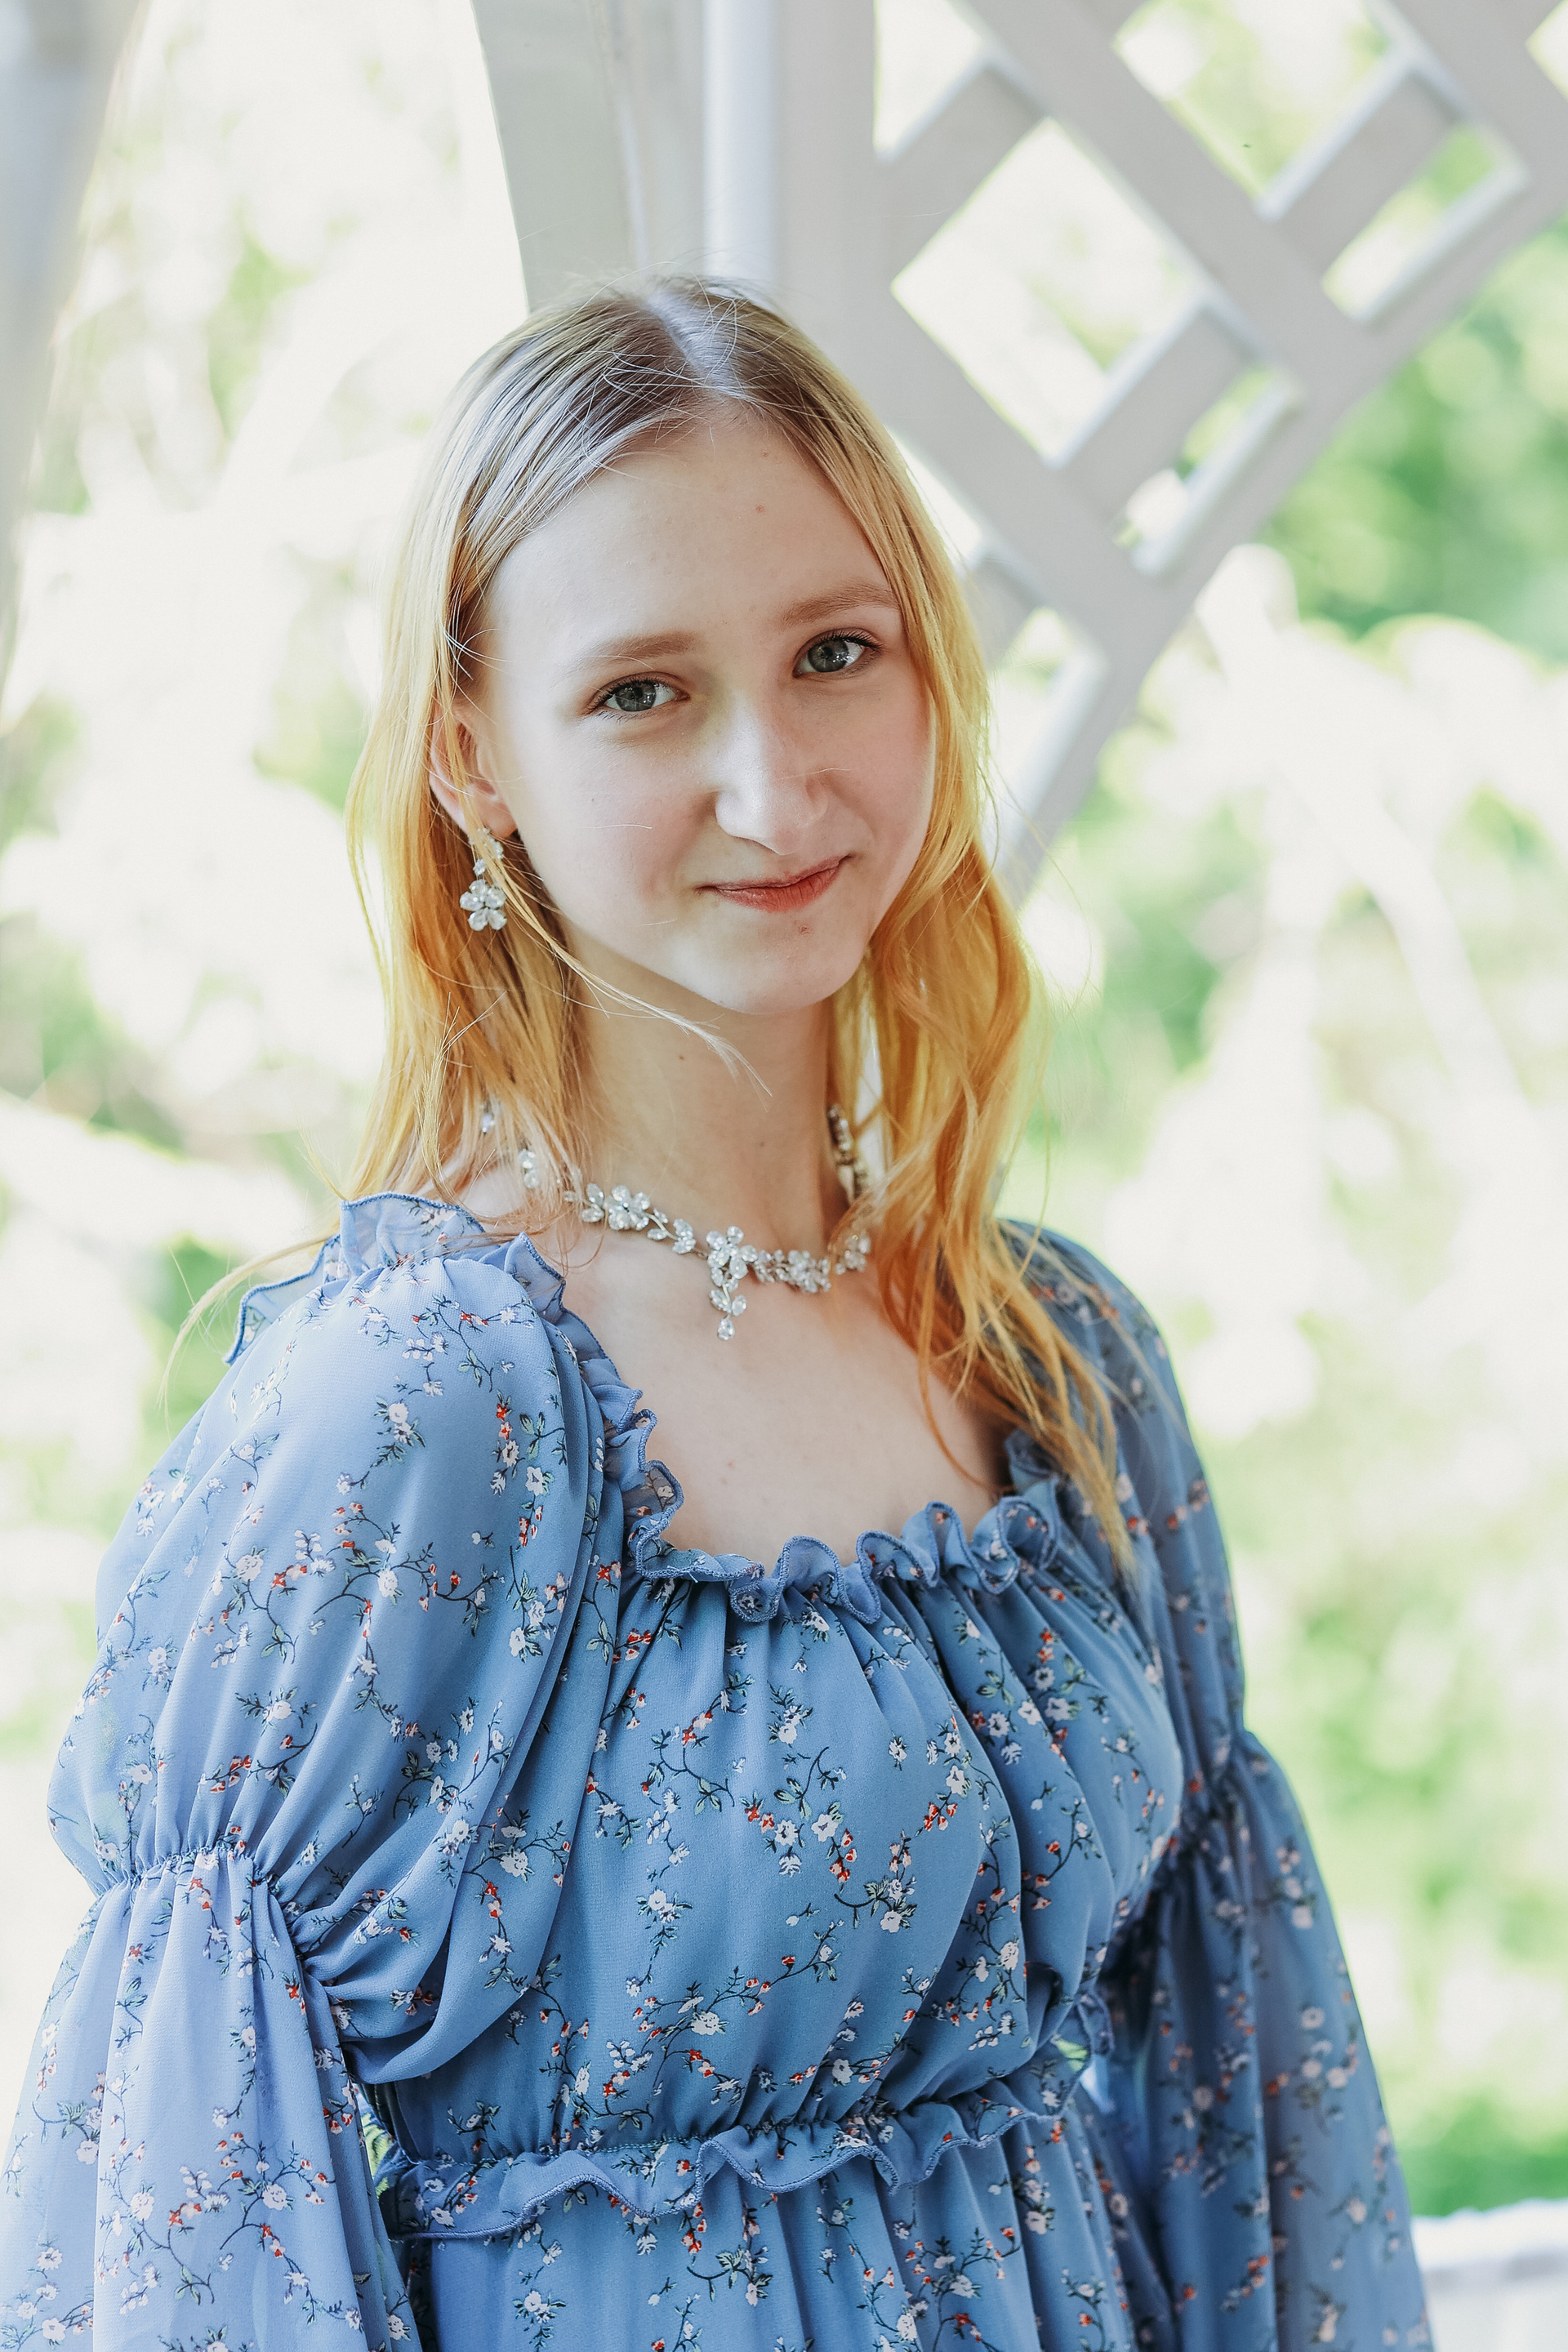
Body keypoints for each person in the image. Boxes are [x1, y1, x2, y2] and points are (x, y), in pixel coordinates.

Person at [0, 281, 1428, 2352]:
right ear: (474, 755)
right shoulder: (424, 1408)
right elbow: (187, 2232)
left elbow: (1258, 2145)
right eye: (644, 694)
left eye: (836, 653)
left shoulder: (1051, 1356)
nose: (775, 787)